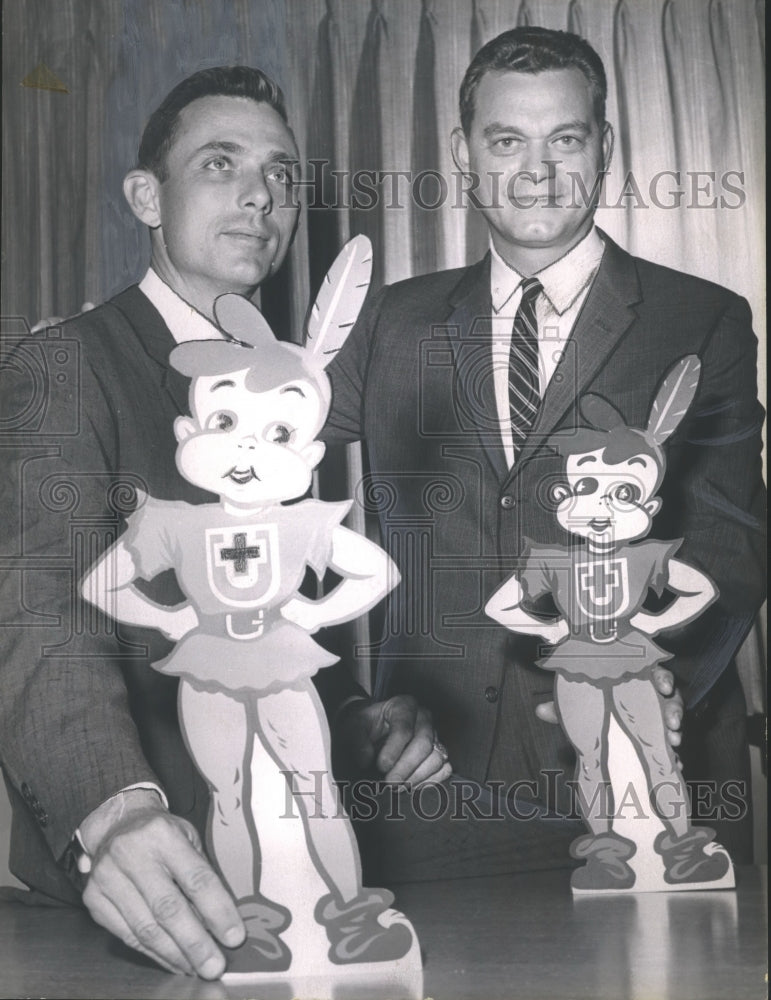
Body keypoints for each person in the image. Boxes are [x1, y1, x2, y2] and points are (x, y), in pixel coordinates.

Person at [0, 67, 442, 980]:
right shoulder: (65, 362)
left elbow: (258, 613)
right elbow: (38, 608)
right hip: (141, 896)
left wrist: (354, 717)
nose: (260, 194)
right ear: (145, 197)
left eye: (281, 173)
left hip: (295, 896)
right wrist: (112, 809)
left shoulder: (288, 388)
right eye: (220, 162)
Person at [322, 26, 765, 881]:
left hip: (651, 784)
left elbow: (729, 544)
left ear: (603, 147)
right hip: (432, 784)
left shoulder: (700, 319)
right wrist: (345, 705)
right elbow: (255, 488)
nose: (536, 170)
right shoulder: (388, 322)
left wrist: (647, 684)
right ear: (462, 153)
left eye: (564, 138)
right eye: (505, 140)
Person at [486, 357, 729, 890]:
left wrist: (649, 617)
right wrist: (551, 631)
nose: (601, 507)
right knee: (589, 760)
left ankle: (681, 850)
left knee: (658, 754)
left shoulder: (647, 558)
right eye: (589, 486)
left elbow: (704, 589)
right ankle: (606, 854)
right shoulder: (551, 560)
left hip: (634, 662)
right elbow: (498, 607)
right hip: (574, 670)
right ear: (567, 496)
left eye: (622, 494)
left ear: (650, 505)